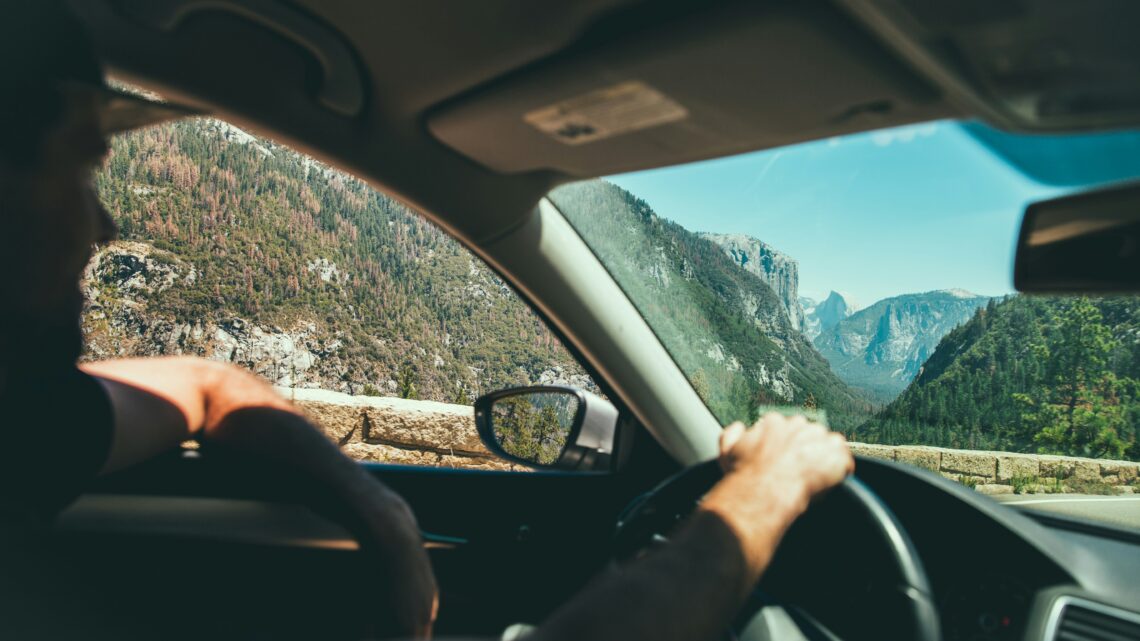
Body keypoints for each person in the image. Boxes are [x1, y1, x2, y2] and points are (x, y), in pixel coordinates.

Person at [0, 2, 853, 640]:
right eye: (80, 166)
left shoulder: (27, 423)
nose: (104, 224)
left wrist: (385, 513)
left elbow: (209, 384)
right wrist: (765, 488)